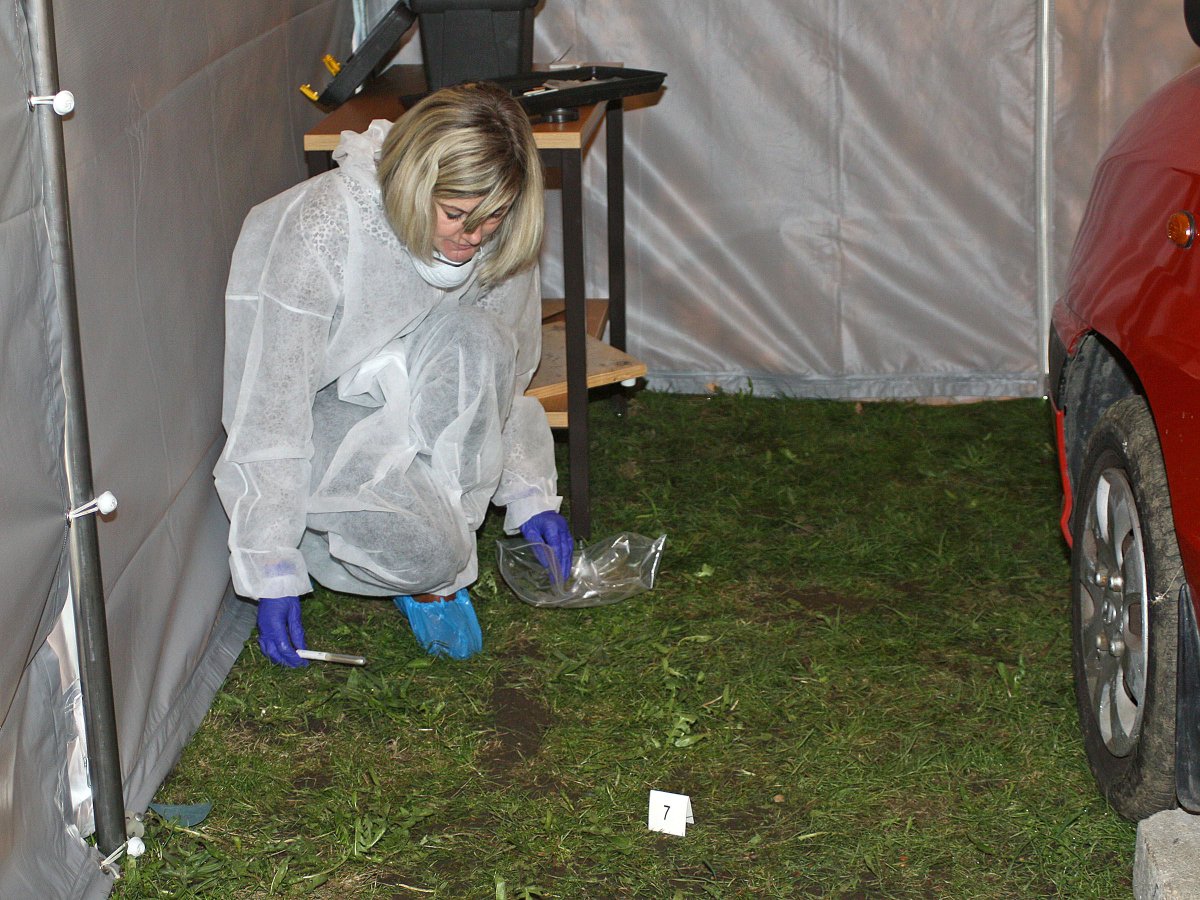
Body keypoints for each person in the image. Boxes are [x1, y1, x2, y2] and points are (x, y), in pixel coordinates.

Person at [215, 83, 573, 666]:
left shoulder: (491, 227)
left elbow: (500, 378)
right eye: (455, 214)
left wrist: (530, 492)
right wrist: (272, 565)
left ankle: (438, 549)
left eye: (494, 217)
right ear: (412, 184)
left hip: (414, 390)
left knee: (479, 338)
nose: (474, 237)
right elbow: (271, 405)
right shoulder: (326, 225)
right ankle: (425, 563)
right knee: (429, 551)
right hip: (327, 408)